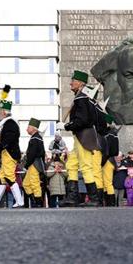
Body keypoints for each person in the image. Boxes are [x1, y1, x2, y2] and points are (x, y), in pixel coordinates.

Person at [60, 70, 100, 207]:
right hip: (79, 136)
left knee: (86, 167)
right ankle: (72, 197)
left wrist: (67, 126)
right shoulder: (82, 98)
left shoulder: (81, 98)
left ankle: (94, 199)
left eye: (73, 80)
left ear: (81, 83)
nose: (70, 83)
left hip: (84, 135)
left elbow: (83, 120)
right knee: (71, 165)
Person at [0, 91, 24, 208]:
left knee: (8, 176)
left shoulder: (11, 123)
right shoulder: (6, 124)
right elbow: (4, 138)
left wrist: (0, 146)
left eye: (0, 112)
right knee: (3, 177)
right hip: (6, 153)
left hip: (10, 153)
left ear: (4, 112)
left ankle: (19, 200)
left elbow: (9, 139)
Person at [21, 118, 46, 208]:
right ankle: (35, 200)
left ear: (34, 128)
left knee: (34, 183)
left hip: (34, 164)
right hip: (34, 163)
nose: (27, 129)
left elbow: (32, 154)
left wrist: (27, 165)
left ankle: (38, 203)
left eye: (28, 127)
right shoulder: (37, 138)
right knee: (26, 184)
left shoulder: (35, 139)